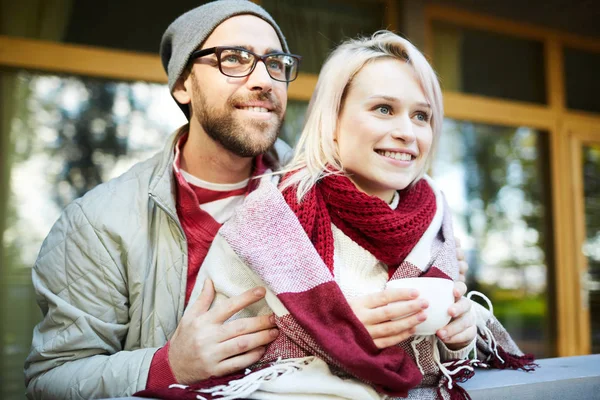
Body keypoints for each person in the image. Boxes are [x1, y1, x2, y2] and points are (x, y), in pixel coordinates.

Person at [24, 1, 469, 399]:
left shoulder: (335, 192)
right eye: (233, 59)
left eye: (275, 63)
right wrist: (168, 366)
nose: (262, 79)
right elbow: (52, 379)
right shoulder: (99, 223)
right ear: (183, 84)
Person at [135, 31, 536, 400]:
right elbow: (217, 358)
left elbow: (446, 360)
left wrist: (458, 335)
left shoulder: (436, 217)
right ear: (333, 122)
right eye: (383, 109)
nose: (407, 132)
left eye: (421, 116)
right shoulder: (270, 219)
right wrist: (336, 328)